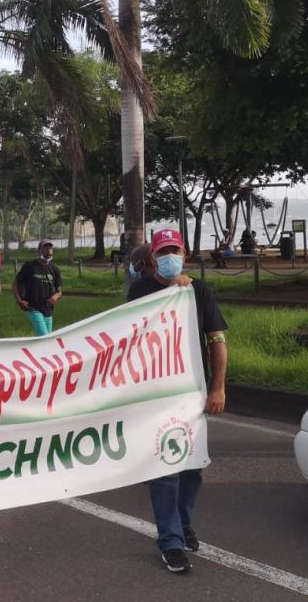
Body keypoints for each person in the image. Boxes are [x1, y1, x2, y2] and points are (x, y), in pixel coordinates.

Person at [127, 230, 228, 574]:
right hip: (156, 395)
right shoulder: (140, 291)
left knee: (192, 467)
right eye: (163, 251)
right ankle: (170, 540)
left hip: (192, 394)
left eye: (175, 250)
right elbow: (126, 338)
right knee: (165, 470)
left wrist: (218, 387)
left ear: (184, 253)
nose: (170, 256)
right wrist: (168, 293)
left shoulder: (198, 291)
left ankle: (183, 523)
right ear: (153, 257)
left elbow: (216, 340)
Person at [13, 241, 63, 336]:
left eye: (50, 248)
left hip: (48, 309)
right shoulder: (30, 266)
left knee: (46, 338)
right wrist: (19, 300)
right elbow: (15, 283)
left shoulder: (54, 269)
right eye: (45, 247)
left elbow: (59, 291)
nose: (48, 250)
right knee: (44, 336)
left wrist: (55, 296)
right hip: (34, 307)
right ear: (39, 250)